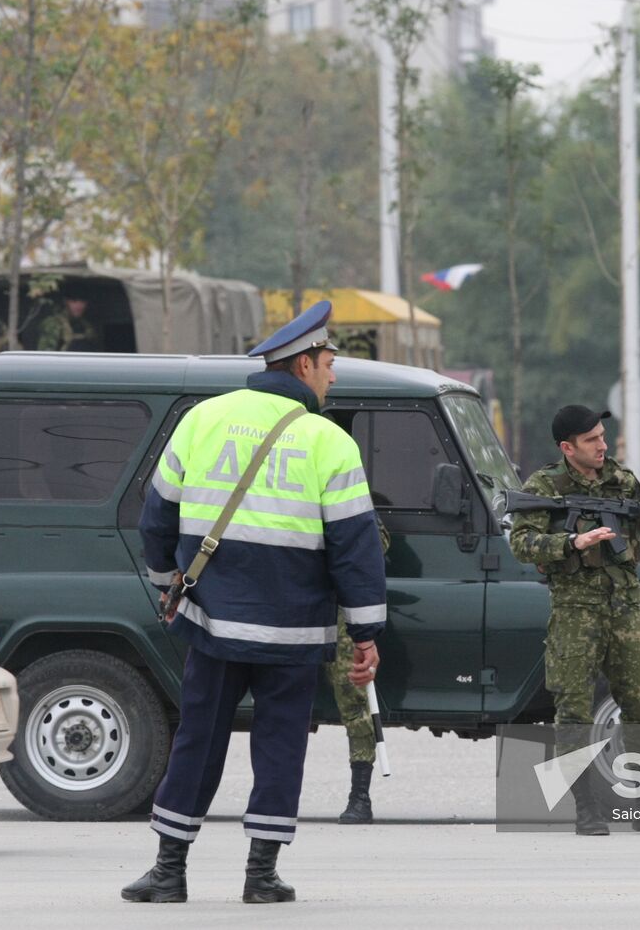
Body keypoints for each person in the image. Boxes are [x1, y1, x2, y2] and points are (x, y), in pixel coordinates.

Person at [122, 300, 387, 905]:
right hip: (292, 630)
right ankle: (260, 875)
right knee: (280, 745)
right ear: (301, 366)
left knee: (198, 737)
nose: (333, 376)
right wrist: (366, 630)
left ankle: (168, 871)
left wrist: (168, 580)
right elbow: (354, 546)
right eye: (328, 364)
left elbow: (156, 514)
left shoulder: (203, 418)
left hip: (212, 621)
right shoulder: (329, 442)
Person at [508, 405, 640, 836]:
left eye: (603, 436)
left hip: (625, 608)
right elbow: (522, 543)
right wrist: (570, 542)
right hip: (575, 613)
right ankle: (585, 808)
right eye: (591, 440)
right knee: (574, 713)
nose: (603, 444)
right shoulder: (544, 486)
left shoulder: (622, 481)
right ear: (567, 447)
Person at [328, 517, 390, 825]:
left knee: (354, 697)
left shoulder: (345, 490)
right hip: (294, 604)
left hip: (341, 608)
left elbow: (378, 542)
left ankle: (360, 796)